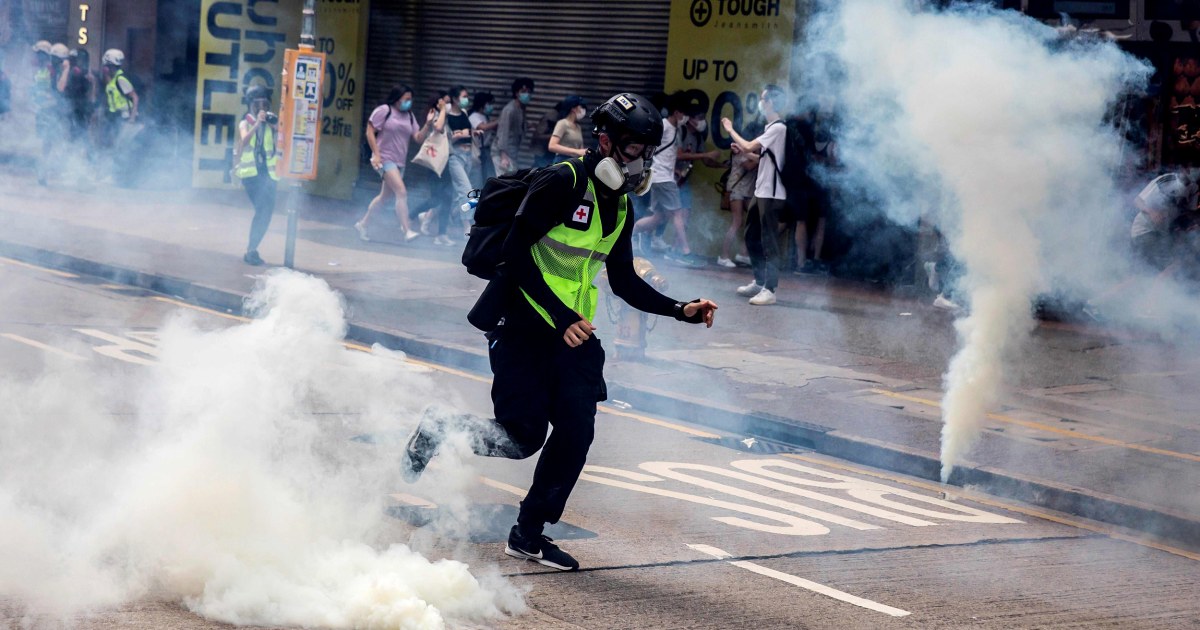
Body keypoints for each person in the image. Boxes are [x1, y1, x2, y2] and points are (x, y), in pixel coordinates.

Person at [400, 92, 719, 571]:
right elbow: (514, 256)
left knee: (576, 430)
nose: (641, 159)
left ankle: (529, 532)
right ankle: (440, 427)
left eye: (647, 151)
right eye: (635, 148)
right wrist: (561, 316)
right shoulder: (561, 182)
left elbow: (625, 280)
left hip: (574, 339)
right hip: (523, 327)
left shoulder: (621, 208)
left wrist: (680, 309)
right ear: (606, 140)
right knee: (522, 438)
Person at [632, 91, 719, 266]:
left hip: (663, 176)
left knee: (659, 218)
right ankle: (683, 252)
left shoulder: (675, 129)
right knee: (678, 213)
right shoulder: (664, 125)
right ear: (677, 112)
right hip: (662, 177)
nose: (686, 117)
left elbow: (671, 153)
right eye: (685, 114)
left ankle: (626, 235)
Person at [722, 85, 789, 306]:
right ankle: (760, 281)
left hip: (772, 192)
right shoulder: (771, 127)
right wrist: (745, 152)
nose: (760, 103)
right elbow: (764, 158)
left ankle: (770, 289)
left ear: (770, 102)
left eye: (763, 99)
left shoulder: (778, 128)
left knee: (769, 240)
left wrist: (730, 129)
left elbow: (751, 144)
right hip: (761, 190)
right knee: (751, 235)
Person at [355, 84, 424, 243]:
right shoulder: (384, 111)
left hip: (400, 162)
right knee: (401, 192)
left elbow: (418, 138)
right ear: (397, 98)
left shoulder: (410, 116)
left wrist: (428, 124)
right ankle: (407, 230)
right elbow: (370, 131)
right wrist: (377, 154)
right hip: (384, 159)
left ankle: (363, 224)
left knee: (384, 197)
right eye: (406, 99)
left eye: (411, 99)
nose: (409, 102)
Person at [233, 84, 279, 266]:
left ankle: (253, 249)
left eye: (265, 104)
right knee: (262, 210)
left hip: (269, 174)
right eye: (257, 104)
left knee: (267, 213)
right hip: (251, 175)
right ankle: (251, 251)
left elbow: (280, 142)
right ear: (250, 105)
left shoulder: (270, 122)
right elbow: (244, 141)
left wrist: (275, 127)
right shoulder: (245, 123)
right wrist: (258, 124)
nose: (262, 108)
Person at [718, 118, 762, 268]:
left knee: (753, 222)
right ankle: (723, 256)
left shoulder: (751, 150)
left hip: (747, 191)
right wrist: (763, 158)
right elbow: (749, 166)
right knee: (737, 222)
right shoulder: (740, 149)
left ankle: (743, 254)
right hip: (736, 189)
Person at [445, 85, 481, 237]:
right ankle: (467, 226)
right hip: (455, 156)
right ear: (454, 98)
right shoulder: (446, 115)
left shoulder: (465, 113)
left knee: (456, 194)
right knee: (466, 190)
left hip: (468, 157)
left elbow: (468, 130)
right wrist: (458, 136)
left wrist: (474, 132)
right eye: (463, 96)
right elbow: (444, 138)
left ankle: (428, 217)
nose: (466, 99)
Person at [100, 49, 138, 183]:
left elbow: (134, 97)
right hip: (116, 117)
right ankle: (111, 174)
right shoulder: (114, 78)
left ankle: (116, 176)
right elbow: (111, 89)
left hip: (124, 118)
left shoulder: (121, 79)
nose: (104, 67)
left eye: (106, 64)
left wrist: (132, 119)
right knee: (112, 145)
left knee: (119, 147)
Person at [30, 41, 61, 185]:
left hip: (51, 111)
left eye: (37, 54)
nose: (35, 57)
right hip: (42, 110)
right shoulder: (40, 70)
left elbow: (56, 90)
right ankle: (43, 172)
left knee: (49, 143)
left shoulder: (51, 70)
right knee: (44, 143)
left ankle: (46, 172)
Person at [495, 77, 533, 175]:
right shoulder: (509, 110)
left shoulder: (521, 108)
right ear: (516, 93)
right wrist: (503, 156)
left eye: (529, 91)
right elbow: (503, 132)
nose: (527, 94)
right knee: (503, 184)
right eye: (523, 91)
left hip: (512, 153)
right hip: (503, 154)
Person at [469, 91, 498, 182]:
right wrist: (500, 120)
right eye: (489, 104)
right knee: (478, 177)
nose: (491, 106)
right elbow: (483, 127)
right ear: (482, 104)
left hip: (485, 150)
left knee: (487, 175)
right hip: (477, 150)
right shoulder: (474, 116)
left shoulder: (484, 116)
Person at [547, 95, 587, 161]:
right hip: (562, 163)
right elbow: (552, 146)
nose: (583, 110)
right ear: (573, 108)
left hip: (574, 162)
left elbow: (580, 150)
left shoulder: (578, 127)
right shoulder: (562, 123)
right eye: (581, 107)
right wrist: (577, 151)